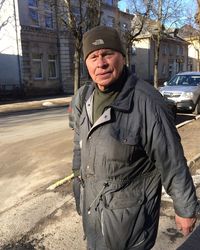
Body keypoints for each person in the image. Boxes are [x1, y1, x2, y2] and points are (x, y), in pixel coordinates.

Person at [72, 25, 198, 250]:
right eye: (93, 57)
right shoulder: (84, 97)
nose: (100, 63)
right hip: (93, 213)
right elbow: (79, 143)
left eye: (107, 54)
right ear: (86, 63)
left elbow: (171, 159)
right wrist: (76, 179)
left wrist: (185, 209)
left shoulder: (147, 102)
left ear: (123, 56)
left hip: (130, 223)